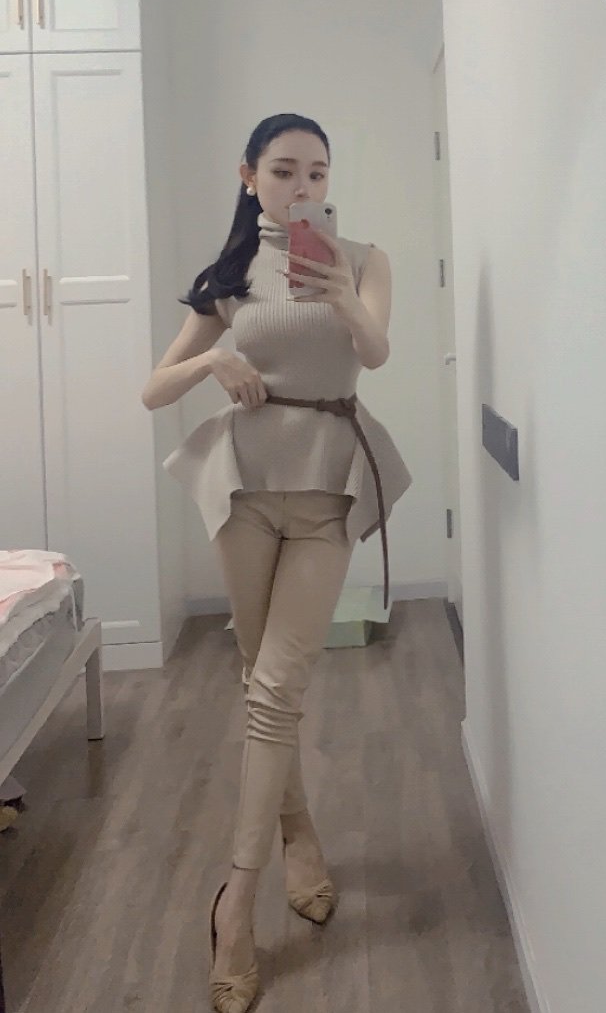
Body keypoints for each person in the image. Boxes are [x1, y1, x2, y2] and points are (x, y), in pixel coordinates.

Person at [141, 113, 412, 1013]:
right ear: (249, 175)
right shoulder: (227, 277)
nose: (303, 187)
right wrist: (213, 361)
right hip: (244, 487)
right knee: (261, 680)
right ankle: (299, 837)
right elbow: (152, 389)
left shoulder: (363, 259)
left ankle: (236, 903)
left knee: (278, 684)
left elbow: (374, 353)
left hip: (329, 485)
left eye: (318, 172)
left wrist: (341, 294)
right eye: (285, 170)